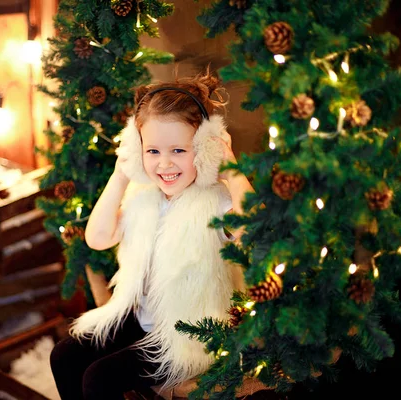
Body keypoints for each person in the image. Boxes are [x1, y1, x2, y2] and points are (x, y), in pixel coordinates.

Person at [50, 71, 255, 400]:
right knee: (64, 356)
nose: (165, 164)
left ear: (204, 148)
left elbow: (252, 229)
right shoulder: (142, 194)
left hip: (191, 333)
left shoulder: (215, 200)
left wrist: (229, 166)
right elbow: (98, 238)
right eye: (153, 151)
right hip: (144, 319)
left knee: (98, 379)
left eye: (179, 150)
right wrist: (121, 174)